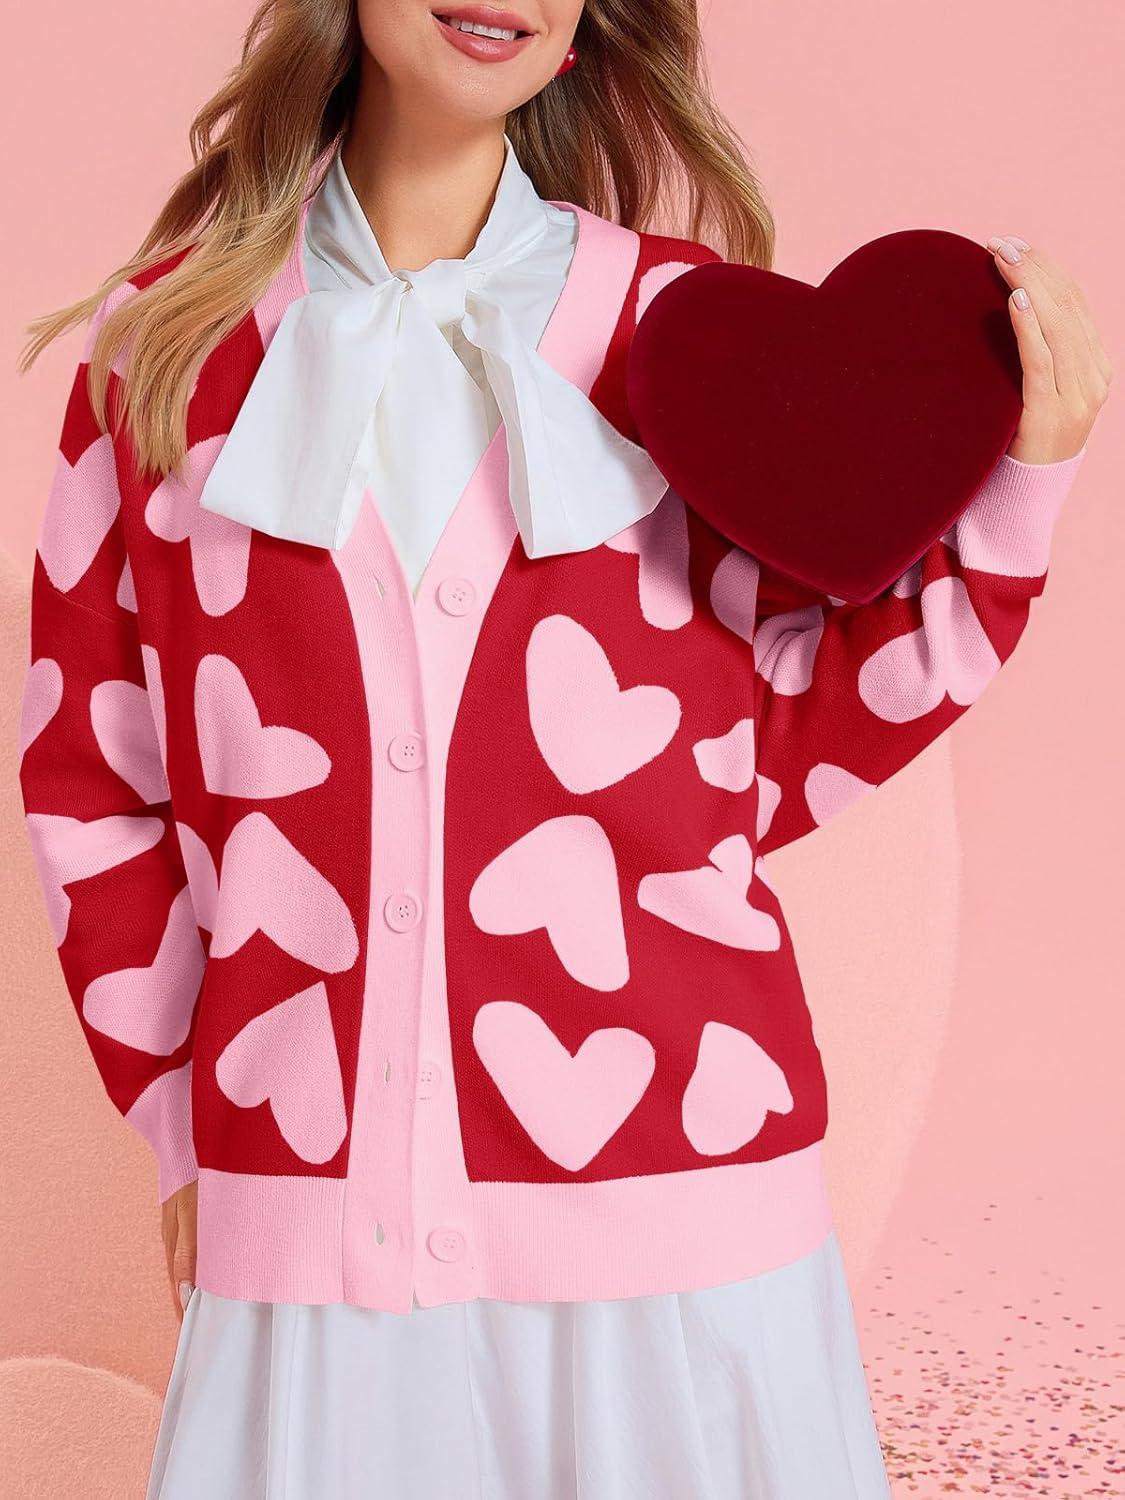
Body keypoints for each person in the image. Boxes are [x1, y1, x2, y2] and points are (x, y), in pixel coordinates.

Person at [16, 1, 1110, 1496]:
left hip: (692, 1242)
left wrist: (1018, 500)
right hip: (314, 1229)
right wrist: (187, 1130)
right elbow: (93, 776)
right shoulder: (161, 353)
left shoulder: (686, 331)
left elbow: (772, 744)